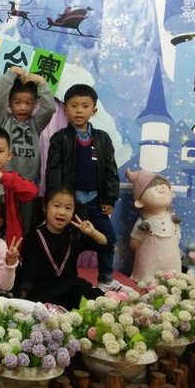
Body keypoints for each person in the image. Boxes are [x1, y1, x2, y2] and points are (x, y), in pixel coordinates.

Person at [45, 84, 120, 292]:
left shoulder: (103, 138)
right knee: (69, 244)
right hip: (71, 204)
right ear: (65, 109)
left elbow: (111, 171)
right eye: (74, 105)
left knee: (108, 239)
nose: (79, 110)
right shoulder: (60, 138)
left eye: (85, 106)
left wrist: (110, 199)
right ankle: (65, 280)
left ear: (93, 111)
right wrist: (56, 202)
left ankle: (106, 279)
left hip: (96, 202)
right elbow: (53, 171)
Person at [17, 187, 106, 310]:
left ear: (74, 210)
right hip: (43, 290)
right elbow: (28, 274)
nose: (62, 212)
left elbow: (105, 245)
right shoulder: (33, 236)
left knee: (97, 297)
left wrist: (93, 233)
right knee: (41, 309)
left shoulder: (74, 234)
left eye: (68, 208)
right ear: (45, 207)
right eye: (56, 206)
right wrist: (21, 302)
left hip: (70, 288)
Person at [0, 66, 55, 231]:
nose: (23, 108)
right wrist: (10, 73)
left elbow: (49, 109)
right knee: (2, 223)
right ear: (9, 102)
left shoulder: (36, 123)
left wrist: (42, 83)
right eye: (17, 102)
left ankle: (22, 248)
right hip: (4, 184)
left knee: (24, 226)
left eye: (28, 103)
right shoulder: (3, 120)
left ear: (35, 104)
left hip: (28, 184)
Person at [126, 168, 182, 282]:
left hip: (172, 263)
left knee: (172, 280)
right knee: (147, 281)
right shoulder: (143, 222)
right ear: (139, 202)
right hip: (148, 264)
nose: (161, 190)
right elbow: (134, 244)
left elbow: (177, 238)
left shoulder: (173, 219)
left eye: (163, 186)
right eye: (155, 188)